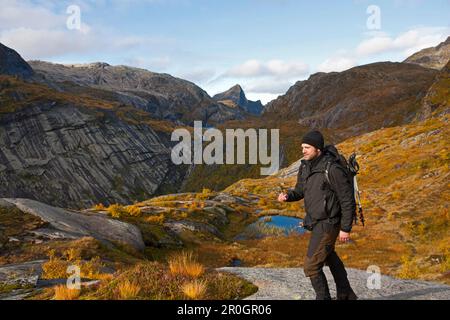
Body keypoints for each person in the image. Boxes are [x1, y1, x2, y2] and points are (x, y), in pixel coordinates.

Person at [278, 130, 358, 300]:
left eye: (307, 147)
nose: (303, 150)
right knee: (329, 256)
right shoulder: (305, 166)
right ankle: (346, 293)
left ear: (318, 149)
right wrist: (288, 196)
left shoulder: (332, 169)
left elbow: (346, 200)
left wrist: (345, 228)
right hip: (316, 222)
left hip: (329, 223)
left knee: (311, 266)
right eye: (302, 147)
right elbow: (300, 190)